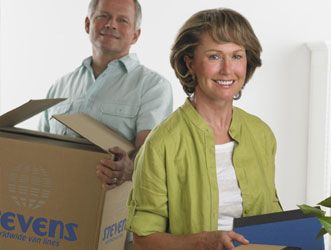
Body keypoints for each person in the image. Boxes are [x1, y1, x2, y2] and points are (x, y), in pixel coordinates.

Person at [126, 8, 282, 250]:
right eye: (214, 57)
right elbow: (144, 240)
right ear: (190, 63)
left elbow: (272, 214)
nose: (227, 70)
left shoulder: (261, 135)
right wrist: (202, 242)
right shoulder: (162, 143)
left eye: (237, 56)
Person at [38, 0, 172, 189]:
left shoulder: (153, 87)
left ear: (135, 34)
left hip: (112, 208)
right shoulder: (60, 86)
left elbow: (150, 155)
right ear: (88, 24)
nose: (111, 24)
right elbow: (40, 148)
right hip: (57, 204)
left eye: (123, 20)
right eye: (103, 16)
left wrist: (130, 168)